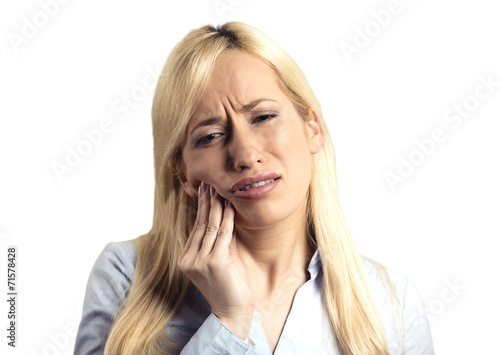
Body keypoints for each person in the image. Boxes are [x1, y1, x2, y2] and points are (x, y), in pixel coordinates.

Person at [74, 22, 434, 355]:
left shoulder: (392, 302)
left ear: (311, 128)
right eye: (210, 136)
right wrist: (229, 320)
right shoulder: (126, 275)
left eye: (262, 117)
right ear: (182, 172)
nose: (245, 155)